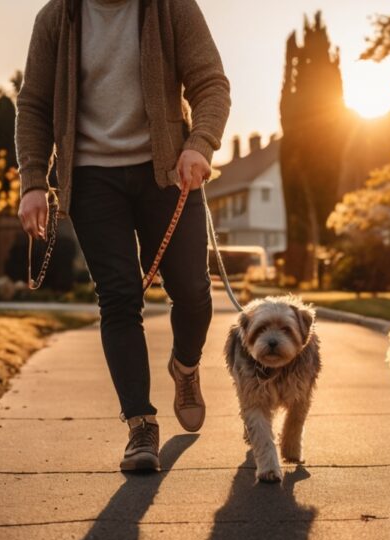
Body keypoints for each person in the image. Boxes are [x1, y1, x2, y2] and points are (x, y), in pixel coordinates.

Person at [15, 0, 231, 472]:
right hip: (92, 180)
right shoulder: (56, 18)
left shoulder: (170, 7)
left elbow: (210, 82)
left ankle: (185, 367)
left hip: (168, 172)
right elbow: (33, 105)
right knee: (118, 298)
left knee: (193, 292)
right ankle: (140, 425)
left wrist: (200, 144)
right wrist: (33, 181)